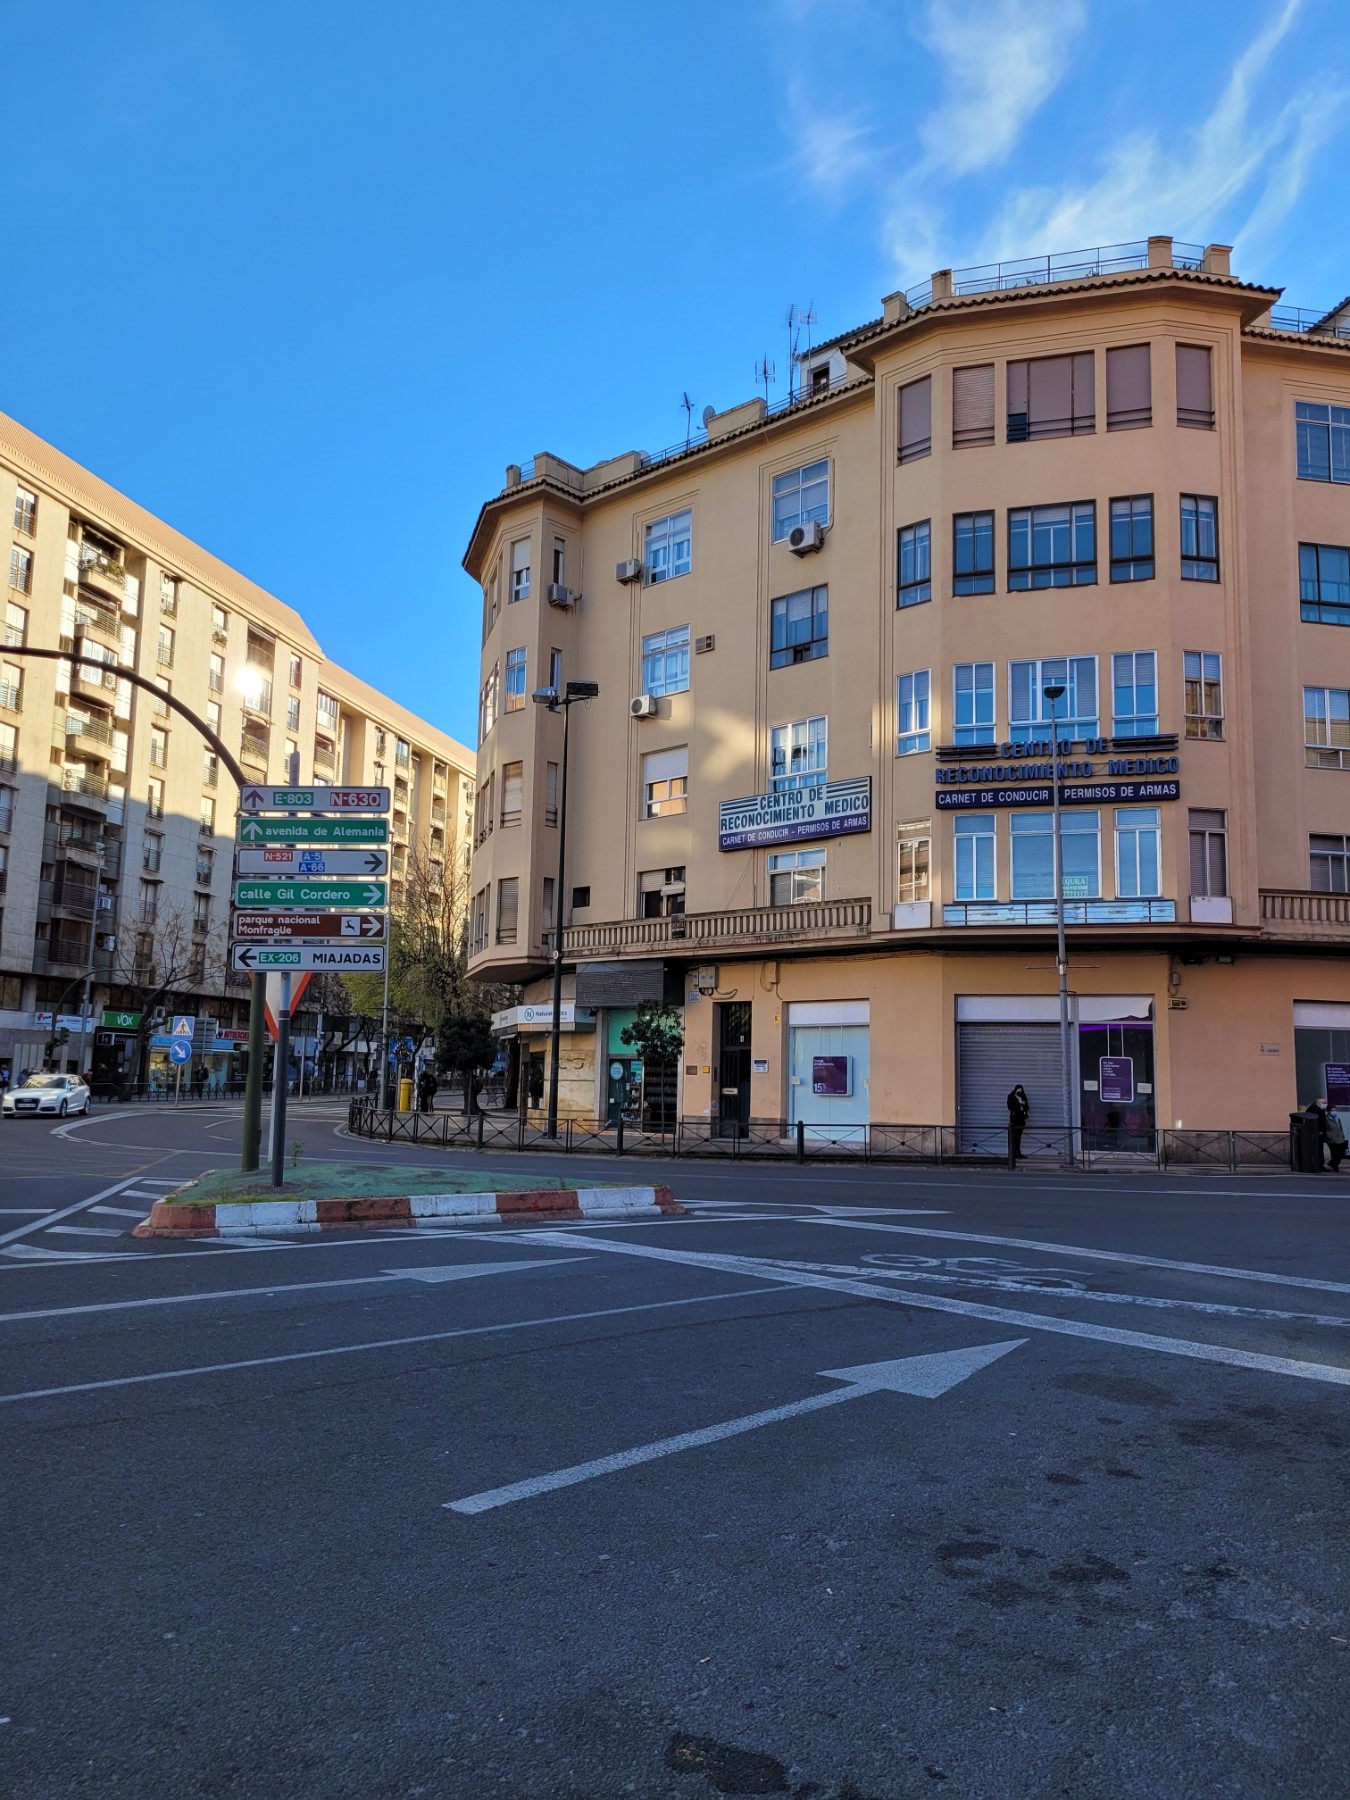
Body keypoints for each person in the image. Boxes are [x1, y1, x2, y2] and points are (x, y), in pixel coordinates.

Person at [1303, 1098, 1330, 1171]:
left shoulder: (1321, 1109)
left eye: (1325, 1103)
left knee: (1320, 1150)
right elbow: (1311, 1120)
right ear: (1318, 1102)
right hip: (1315, 1133)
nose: (1325, 1104)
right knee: (1316, 1150)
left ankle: (1320, 1165)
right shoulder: (1312, 1109)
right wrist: (1318, 1131)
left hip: (1320, 1133)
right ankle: (1316, 1165)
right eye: (1323, 1103)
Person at [1007, 1084, 1030, 1163]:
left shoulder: (1023, 1096)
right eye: (1018, 1090)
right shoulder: (1011, 1096)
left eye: (1021, 1090)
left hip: (1022, 1118)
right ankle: (1012, 1153)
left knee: (1019, 1136)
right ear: (1015, 1090)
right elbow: (1010, 1107)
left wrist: (1024, 1104)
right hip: (1014, 1118)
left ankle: (1018, 1152)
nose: (1020, 1092)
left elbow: (1027, 1108)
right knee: (1013, 1136)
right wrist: (1018, 1103)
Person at [1323, 1099, 1346, 1172]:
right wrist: (1328, 1136)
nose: (1334, 1111)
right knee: (1334, 1153)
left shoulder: (1337, 1118)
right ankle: (1335, 1166)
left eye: (1335, 1110)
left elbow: (1340, 1127)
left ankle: (1332, 1164)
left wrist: (1342, 1135)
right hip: (1331, 1139)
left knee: (1341, 1153)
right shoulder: (1326, 1119)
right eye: (1332, 1110)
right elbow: (1325, 1128)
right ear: (1328, 1111)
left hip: (1340, 1138)